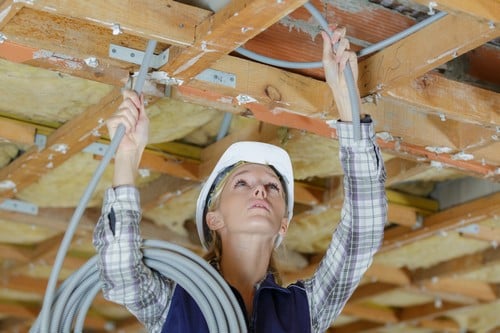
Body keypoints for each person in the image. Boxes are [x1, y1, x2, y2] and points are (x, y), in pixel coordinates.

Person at [93, 27, 387, 333]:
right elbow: (120, 272)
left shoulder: (303, 309)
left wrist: (347, 104)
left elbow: (361, 235)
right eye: (242, 183)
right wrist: (127, 155)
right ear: (214, 219)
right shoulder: (177, 304)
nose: (260, 188)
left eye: (273, 187)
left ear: (283, 224)